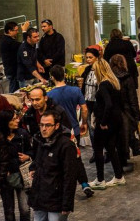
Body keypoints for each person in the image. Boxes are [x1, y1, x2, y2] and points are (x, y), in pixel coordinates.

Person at [47, 65, 95, 196]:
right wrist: (84, 123)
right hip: (74, 131)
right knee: (76, 157)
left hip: (59, 133)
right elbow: (84, 109)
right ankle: (84, 184)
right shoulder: (75, 91)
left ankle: (64, 187)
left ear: (52, 77)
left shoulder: (49, 95)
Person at [28, 109, 77, 221]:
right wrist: (33, 168)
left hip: (56, 200)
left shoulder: (66, 145)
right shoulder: (41, 141)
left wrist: (66, 204)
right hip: (40, 197)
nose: (44, 129)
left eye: (48, 125)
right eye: (41, 125)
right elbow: (37, 161)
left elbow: (70, 176)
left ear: (56, 125)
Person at [89, 59, 125, 189]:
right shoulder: (114, 82)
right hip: (116, 120)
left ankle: (100, 179)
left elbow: (108, 104)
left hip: (106, 121)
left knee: (98, 149)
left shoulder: (104, 85)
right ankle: (119, 176)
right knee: (111, 148)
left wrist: (103, 122)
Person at [0, 109, 33, 221]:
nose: (17, 120)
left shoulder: (22, 134)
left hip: (22, 175)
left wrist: (28, 156)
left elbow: (32, 151)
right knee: (9, 211)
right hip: (4, 178)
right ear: (5, 122)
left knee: (25, 209)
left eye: (17, 118)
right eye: (14, 119)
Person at [108, 55, 140, 171]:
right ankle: (123, 161)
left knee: (116, 137)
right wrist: (136, 115)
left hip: (112, 111)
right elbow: (132, 98)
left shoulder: (108, 78)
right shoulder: (127, 78)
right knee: (126, 136)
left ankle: (118, 160)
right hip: (126, 111)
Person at [78, 46, 100, 145]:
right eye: (86, 57)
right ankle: (95, 150)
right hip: (87, 101)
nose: (88, 60)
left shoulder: (101, 70)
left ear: (97, 57)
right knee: (90, 126)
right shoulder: (86, 69)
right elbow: (82, 83)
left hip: (98, 102)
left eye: (90, 57)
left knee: (99, 126)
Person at [0, 21, 30, 93]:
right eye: (16, 30)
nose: (17, 32)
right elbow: (24, 46)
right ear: (9, 31)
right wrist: (24, 31)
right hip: (13, 71)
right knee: (14, 92)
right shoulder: (8, 41)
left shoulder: (6, 39)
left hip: (13, 70)